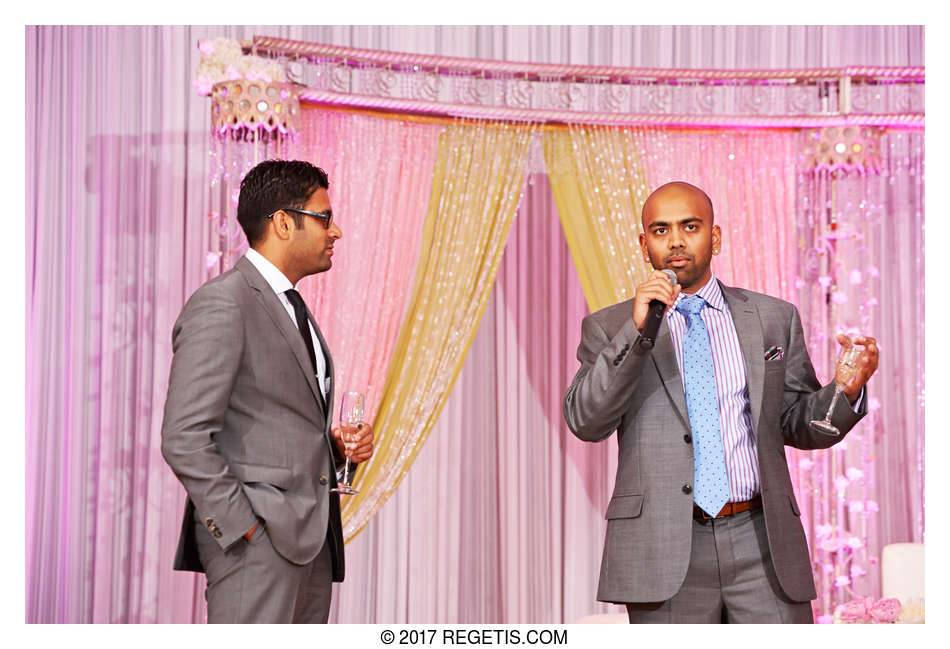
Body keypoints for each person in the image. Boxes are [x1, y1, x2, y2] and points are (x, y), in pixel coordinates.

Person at [562, 181, 878, 623]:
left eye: (689, 226)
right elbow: (585, 421)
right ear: (643, 244)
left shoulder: (772, 318)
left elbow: (796, 423)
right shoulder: (610, 326)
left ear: (715, 237)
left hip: (762, 544)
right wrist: (636, 333)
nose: (675, 241)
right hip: (664, 548)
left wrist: (844, 391)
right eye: (660, 230)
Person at [161, 159, 374, 623]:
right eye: (325, 218)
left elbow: (275, 425)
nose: (335, 232)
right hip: (258, 548)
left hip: (312, 543)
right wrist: (243, 529)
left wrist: (335, 449)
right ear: (282, 223)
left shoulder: (290, 305)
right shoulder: (224, 302)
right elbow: (184, 436)